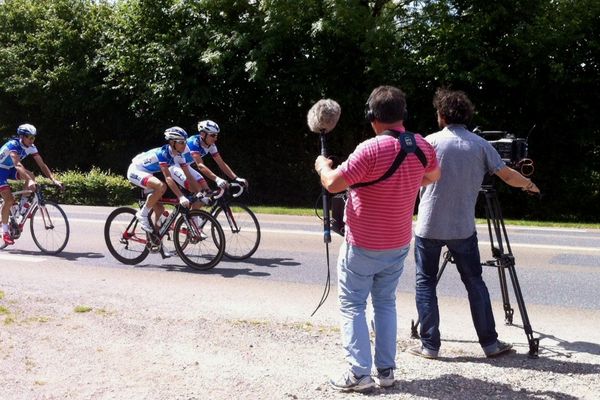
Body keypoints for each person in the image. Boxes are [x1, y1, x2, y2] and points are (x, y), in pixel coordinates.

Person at [314, 86, 441, 392]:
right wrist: (408, 183)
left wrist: (321, 165)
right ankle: (386, 371)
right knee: (385, 302)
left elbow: (332, 184)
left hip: (363, 244)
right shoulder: (422, 146)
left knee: (352, 304)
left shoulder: (369, 149)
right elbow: (434, 176)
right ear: (403, 115)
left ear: (371, 115)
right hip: (398, 242)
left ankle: (359, 373)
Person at [410, 88, 540, 360]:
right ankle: (490, 344)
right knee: (474, 282)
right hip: (462, 228)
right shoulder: (481, 145)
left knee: (425, 283)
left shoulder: (428, 142)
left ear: (442, 115)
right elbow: (506, 175)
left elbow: (409, 177)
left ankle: (429, 346)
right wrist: (528, 184)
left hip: (428, 226)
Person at [127, 126, 201, 232]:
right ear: (172, 142)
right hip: (135, 171)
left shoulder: (179, 156)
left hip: (148, 174)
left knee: (160, 211)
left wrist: (199, 191)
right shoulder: (163, 154)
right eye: (181, 142)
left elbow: (188, 175)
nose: (184, 145)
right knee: (161, 186)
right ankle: (142, 214)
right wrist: (180, 197)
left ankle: (155, 241)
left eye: (185, 142)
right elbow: (168, 178)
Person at [0, 124, 63, 245]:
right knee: (9, 199)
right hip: (0, 169)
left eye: (33, 138)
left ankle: (22, 207)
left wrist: (53, 179)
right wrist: (29, 180)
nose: (31, 140)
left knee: (31, 175)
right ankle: (5, 232)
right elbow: (18, 165)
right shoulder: (13, 145)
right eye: (29, 137)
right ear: (22, 137)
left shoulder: (31, 147)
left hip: (9, 169)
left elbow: (42, 164)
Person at [183, 120, 247, 190]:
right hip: (172, 166)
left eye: (216, 135)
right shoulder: (193, 142)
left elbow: (221, 163)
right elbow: (200, 166)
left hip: (184, 166)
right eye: (212, 135)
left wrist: (236, 178)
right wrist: (217, 179)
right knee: (197, 189)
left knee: (206, 192)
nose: (215, 139)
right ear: (203, 134)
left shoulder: (211, 145)